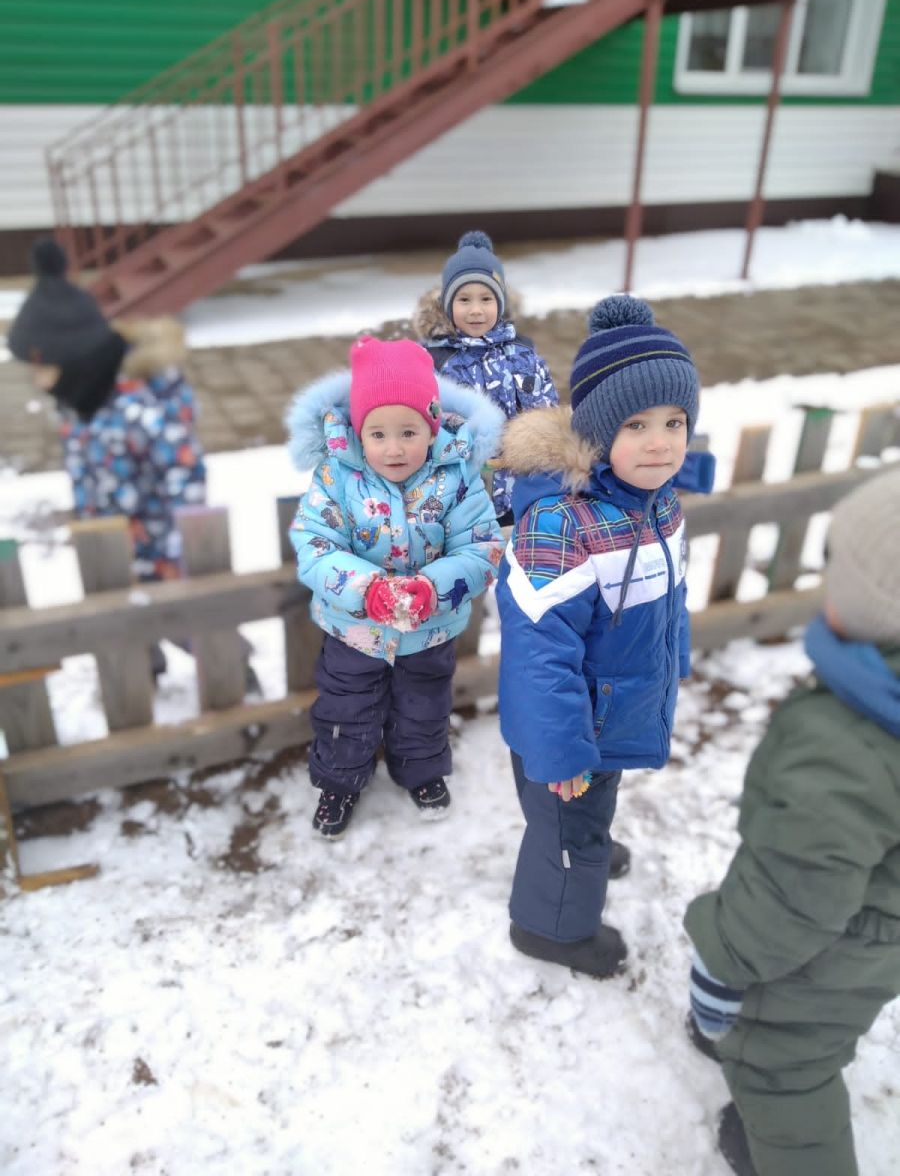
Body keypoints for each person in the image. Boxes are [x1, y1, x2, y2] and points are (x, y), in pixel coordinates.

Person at [684, 466, 900, 1176]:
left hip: (836, 944)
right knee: (822, 1030)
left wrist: (724, 956)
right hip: (881, 924)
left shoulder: (850, 741)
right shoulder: (879, 700)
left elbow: (800, 888)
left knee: (783, 1064)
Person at [495, 294, 712, 978]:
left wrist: (673, 660)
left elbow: (668, 595)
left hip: (610, 708)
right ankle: (550, 927)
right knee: (567, 827)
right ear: (596, 435)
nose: (661, 442)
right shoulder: (561, 524)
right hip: (566, 722)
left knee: (587, 811)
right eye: (636, 424)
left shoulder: (658, 501)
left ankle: (580, 840)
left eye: (675, 422)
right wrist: (559, 752)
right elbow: (538, 654)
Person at [7, 237, 257, 690]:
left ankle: (237, 672)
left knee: (185, 618)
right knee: (121, 619)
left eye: (41, 368)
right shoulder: (80, 398)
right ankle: (146, 671)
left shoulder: (141, 409)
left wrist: (173, 542)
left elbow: (185, 474)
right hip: (107, 536)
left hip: (159, 543)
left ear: (74, 359)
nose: (38, 382)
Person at [287, 334, 505, 839]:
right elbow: (315, 543)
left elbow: (481, 547)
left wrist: (433, 588)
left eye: (409, 432)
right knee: (345, 708)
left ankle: (421, 771)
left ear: (432, 427)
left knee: (423, 708)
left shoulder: (456, 478)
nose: (394, 447)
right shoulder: (337, 476)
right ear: (358, 432)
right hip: (353, 630)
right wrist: (366, 589)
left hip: (429, 631)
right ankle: (339, 781)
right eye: (378, 433)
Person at [413, 229, 558, 526]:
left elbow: (546, 414)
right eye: (464, 299)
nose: (476, 310)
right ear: (448, 305)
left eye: (486, 299)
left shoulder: (523, 355)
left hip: (521, 490)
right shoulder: (433, 360)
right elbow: (422, 420)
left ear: (500, 303)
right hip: (459, 492)